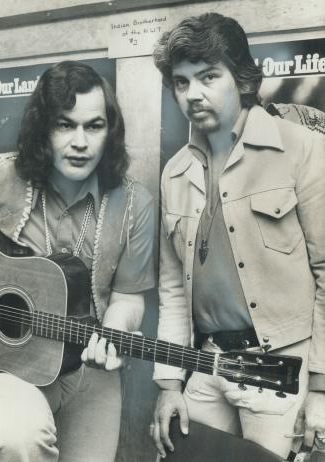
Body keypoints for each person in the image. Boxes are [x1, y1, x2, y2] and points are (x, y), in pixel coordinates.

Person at [150, 12, 325, 460]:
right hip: (208, 364)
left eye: (208, 77)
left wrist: (322, 390)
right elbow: (172, 289)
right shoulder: (174, 173)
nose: (193, 94)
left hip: (284, 369)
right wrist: (170, 383)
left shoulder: (303, 150)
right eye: (182, 82)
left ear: (244, 80)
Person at [0, 60, 154, 462]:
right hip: (11, 364)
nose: (80, 142)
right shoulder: (2, 181)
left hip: (89, 368)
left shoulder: (136, 203)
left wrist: (113, 336)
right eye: (65, 125)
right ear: (43, 129)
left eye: (94, 126)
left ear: (110, 131)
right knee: (21, 439)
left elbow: (129, 297)